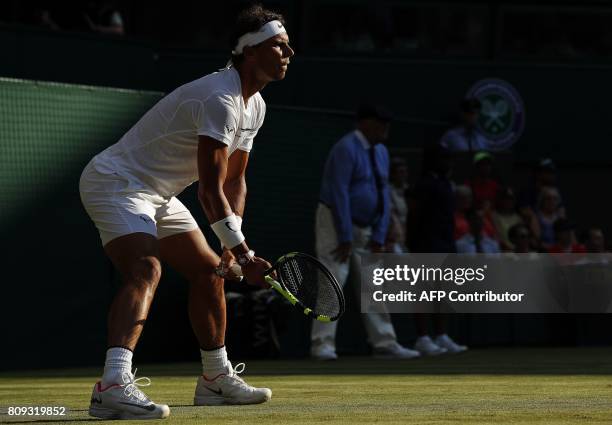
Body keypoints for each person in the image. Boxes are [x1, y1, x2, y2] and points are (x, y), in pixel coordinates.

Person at [79, 5, 294, 419]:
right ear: (250, 52)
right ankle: (111, 384)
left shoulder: (256, 106)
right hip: (116, 182)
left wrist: (231, 246)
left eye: (288, 45)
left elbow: (234, 181)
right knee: (146, 269)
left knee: (210, 271)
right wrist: (246, 253)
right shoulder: (220, 98)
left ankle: (215, 379)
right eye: (278, 45)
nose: (289, 52)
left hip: (158, 193)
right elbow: (210, 190)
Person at [312, 104, 420, 361]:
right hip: (335, 225)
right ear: (364, 123)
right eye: (379, 122)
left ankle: (384, 343)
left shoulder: (381, 151)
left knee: (374, 285)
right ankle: (321, 345)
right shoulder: (345, 148)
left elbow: (383, 192)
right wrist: (346, 235)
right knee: (333, 282)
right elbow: (339, 193)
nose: (385, 128)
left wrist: (380, 235)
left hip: (368, 229)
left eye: (386, 123)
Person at [407, 145, 467, 355]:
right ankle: (423, 338)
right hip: (426, 244)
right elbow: (414, 216)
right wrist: (414, 244)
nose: (448, 164)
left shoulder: (445, 184)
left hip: (444, 243)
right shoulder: (423, 185)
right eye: (444, 159)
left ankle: (441, 335)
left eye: (450, 159)